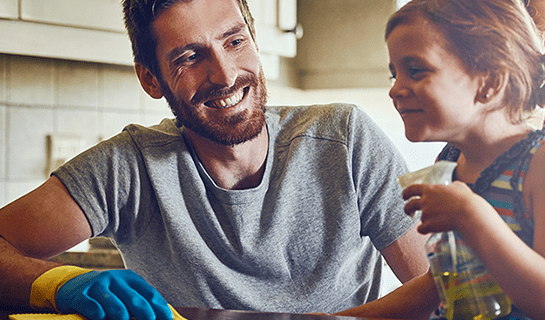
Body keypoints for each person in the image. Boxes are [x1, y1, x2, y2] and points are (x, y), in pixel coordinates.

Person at [0, 0, 431, 319]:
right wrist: (60, 283)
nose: (224, 75)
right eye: (190, 57)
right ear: (151, 79)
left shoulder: (345, 139)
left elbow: (441, 292)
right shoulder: (129, 167)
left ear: (255, 41)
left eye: (235, 41)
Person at [335, 0, 545, 319]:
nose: (396, 90)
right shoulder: (451, 161)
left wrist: (471, 215)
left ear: (490, 81)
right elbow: (439, 285)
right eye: (395, 74)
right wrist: (335, 319)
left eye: (415, 71)